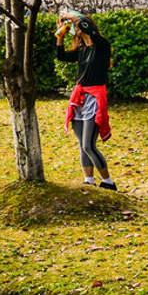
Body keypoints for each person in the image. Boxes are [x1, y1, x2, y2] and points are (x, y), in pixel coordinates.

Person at [56, 13, 117, 191]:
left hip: (95, 97)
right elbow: (61, 56)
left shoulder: (102, 46)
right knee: (82, 145)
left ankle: (108, 182)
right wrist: (60, 35)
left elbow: (92, 32)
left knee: (88, 144)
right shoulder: (81, 50)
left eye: (76, 25)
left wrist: (75, 17)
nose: (74, 27)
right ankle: (88, 180)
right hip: (80, 98)